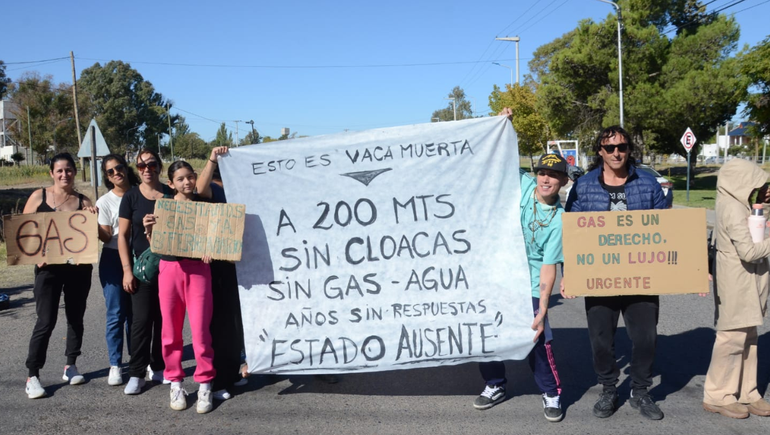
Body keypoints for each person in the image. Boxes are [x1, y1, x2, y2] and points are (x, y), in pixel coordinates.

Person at [564, 126, 667, 420]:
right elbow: (571, 234)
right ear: (600, 151)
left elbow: (668, 229)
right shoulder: (584, 186)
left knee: (646, 338)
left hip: (641, 275)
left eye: (622, 147)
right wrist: (569, 273)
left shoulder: (648, 183)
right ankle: (609, 389)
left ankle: (640, 391)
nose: (616, 152)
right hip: (598, 276)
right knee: (600, 340)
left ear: (629, 149)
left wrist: (693, 270)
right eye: (610, 148)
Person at [474, 152, 568, 423]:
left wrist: (543, 308)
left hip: (530, 284)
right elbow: (495, 156)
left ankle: (551, 392)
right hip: (499, 276)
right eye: (542, 173)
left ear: (563, 180)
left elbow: (548, 267)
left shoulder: (560, 220)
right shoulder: (525, 186)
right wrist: (500, 129)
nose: (546, 179)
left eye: (553, 175)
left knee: (537, 338)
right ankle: (495, 384)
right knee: (488, 333)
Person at [144, 147, 228, 414]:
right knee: (170, 331)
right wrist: (148, 230)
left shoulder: (205, 206)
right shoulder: (164, 207)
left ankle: (204, 384)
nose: (187, 182)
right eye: (180, 179)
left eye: (190, 176)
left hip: (199, 271)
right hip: (169, 269)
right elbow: (156, 245)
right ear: (171, 184)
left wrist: (211, 249)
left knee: (201, 331)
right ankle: (176, 382)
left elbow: (217, 239)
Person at [22, 153, 97, 399]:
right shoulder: (38, 197)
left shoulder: (83, 201)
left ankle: (71, 365)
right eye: (60, 170)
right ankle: (32, 375)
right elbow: (23, 232)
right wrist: (36, 256)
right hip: (48, 270)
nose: (65, 174)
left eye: (69, 170)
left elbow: (92, 235)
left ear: (75, 172)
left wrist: (93, 217)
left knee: (76, 317)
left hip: (78, 269)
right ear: (52, 173)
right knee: (45, 321)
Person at [703, 159, 770, 419]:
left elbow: (757, 231)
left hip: (749, 279)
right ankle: (718, 395)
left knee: (748, 336)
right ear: (741, 182)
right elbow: (750, 251)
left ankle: (747, 391)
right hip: (737, 280)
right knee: (731, 337)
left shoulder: (740, 204)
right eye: (755, 184)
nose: (759, 189)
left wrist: (763, 205)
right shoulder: (731, 208)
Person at [118, 148, 170, 395]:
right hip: (142, 269)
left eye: (151, 164)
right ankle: (136, 373)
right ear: (137, 170)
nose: (147, 169)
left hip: (170, 267)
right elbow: (123, 236)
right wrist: (127, 270)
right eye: (141, 166)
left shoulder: (171, 194)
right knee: (141, 321)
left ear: (159, 166)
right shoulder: (131, 197)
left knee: (165, 320)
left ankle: (159, 366)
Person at [96, 154, 140, 386]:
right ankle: (115, 364)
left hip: (139, 256)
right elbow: (106, 237)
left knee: (136, 313)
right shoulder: (104, 202)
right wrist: (91, 224)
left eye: (119, 167)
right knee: (116, 312)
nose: (116, 173)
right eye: (110, 171)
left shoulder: (140, 193)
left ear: (126, 168)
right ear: (106, 176)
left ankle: (137, 360)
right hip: (113, 258)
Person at [208, 165, 247, 401]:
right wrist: (212, 160)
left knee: (234, 324)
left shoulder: (239, 191)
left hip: (238, 266)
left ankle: (231, 373)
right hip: (215, 268)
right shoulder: (210, 190)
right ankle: (217, 381)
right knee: (219, 327)